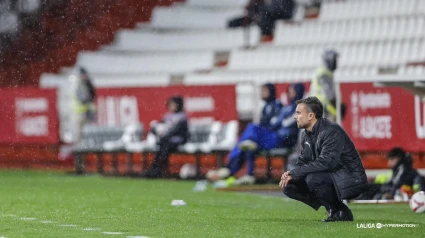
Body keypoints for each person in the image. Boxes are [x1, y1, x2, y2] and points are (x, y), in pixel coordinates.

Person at [280, 96, 367, 222]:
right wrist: (290, 174)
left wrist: (296, 172)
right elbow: (305, 161)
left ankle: (338, 211)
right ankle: (336, 209)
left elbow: (327, 162)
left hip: (351, 178)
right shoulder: (306, 135)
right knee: (289, 186)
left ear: (310, 116)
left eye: (298, 113)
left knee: (313, 179)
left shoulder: (331, 130)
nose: (295, 116)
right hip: (332, 176)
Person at [207, 83, 304, 186]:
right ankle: (247, 174)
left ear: (298, 92)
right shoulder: (287, 107)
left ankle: (229, 169)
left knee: (251, 130)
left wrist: (269, 127)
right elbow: (277, 123)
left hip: (283, 139)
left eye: (292, 91)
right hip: (276, 137)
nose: (290, 93)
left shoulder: (300, 108)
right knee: (249, 144)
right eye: (289, 91)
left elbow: (284, 123)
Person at [144, 96, 189, 178]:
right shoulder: (167, 116)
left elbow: (177, 130)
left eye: (173, 105)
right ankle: (155, 168)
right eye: (170, 105)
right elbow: (159, 126)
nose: (171, 106)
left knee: (165, 147)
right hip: (167, 140)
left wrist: (165, 135)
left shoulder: (182, 117)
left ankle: (159, 170)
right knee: (161, 148)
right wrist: (155, 129)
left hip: (178, 140)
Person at [356, 147, 425, 200]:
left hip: (402, 192)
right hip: (398, 190)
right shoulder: (399, 169)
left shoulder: (403, 168)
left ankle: (355, 198)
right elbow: (392, 183)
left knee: (374, 190)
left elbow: (397, 185)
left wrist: (389, 192)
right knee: (372, 187)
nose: (389, 162)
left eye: (391, 159)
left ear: (398, 158)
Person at [228, 0, 295, 38]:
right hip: (262, 15)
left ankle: (267, 35)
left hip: (280, 13)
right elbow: (251, 9)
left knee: (265, 15)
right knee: (233, 22)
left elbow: (282, 9)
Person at [309, 50, 339, 121]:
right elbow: (329, 94)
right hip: (323, 107)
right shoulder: (325, 74)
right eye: (334, 60)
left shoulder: (322, 71)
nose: (335, 63)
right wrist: (336, 105)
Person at [73, 67, 96, 142]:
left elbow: (92, 96)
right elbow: (83, 98)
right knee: (80, 132)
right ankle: (79, 148)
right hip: (80, 112)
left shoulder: (87, 84)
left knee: (88, 131)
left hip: (87, 111)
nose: (84, 76)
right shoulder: (78, 85)